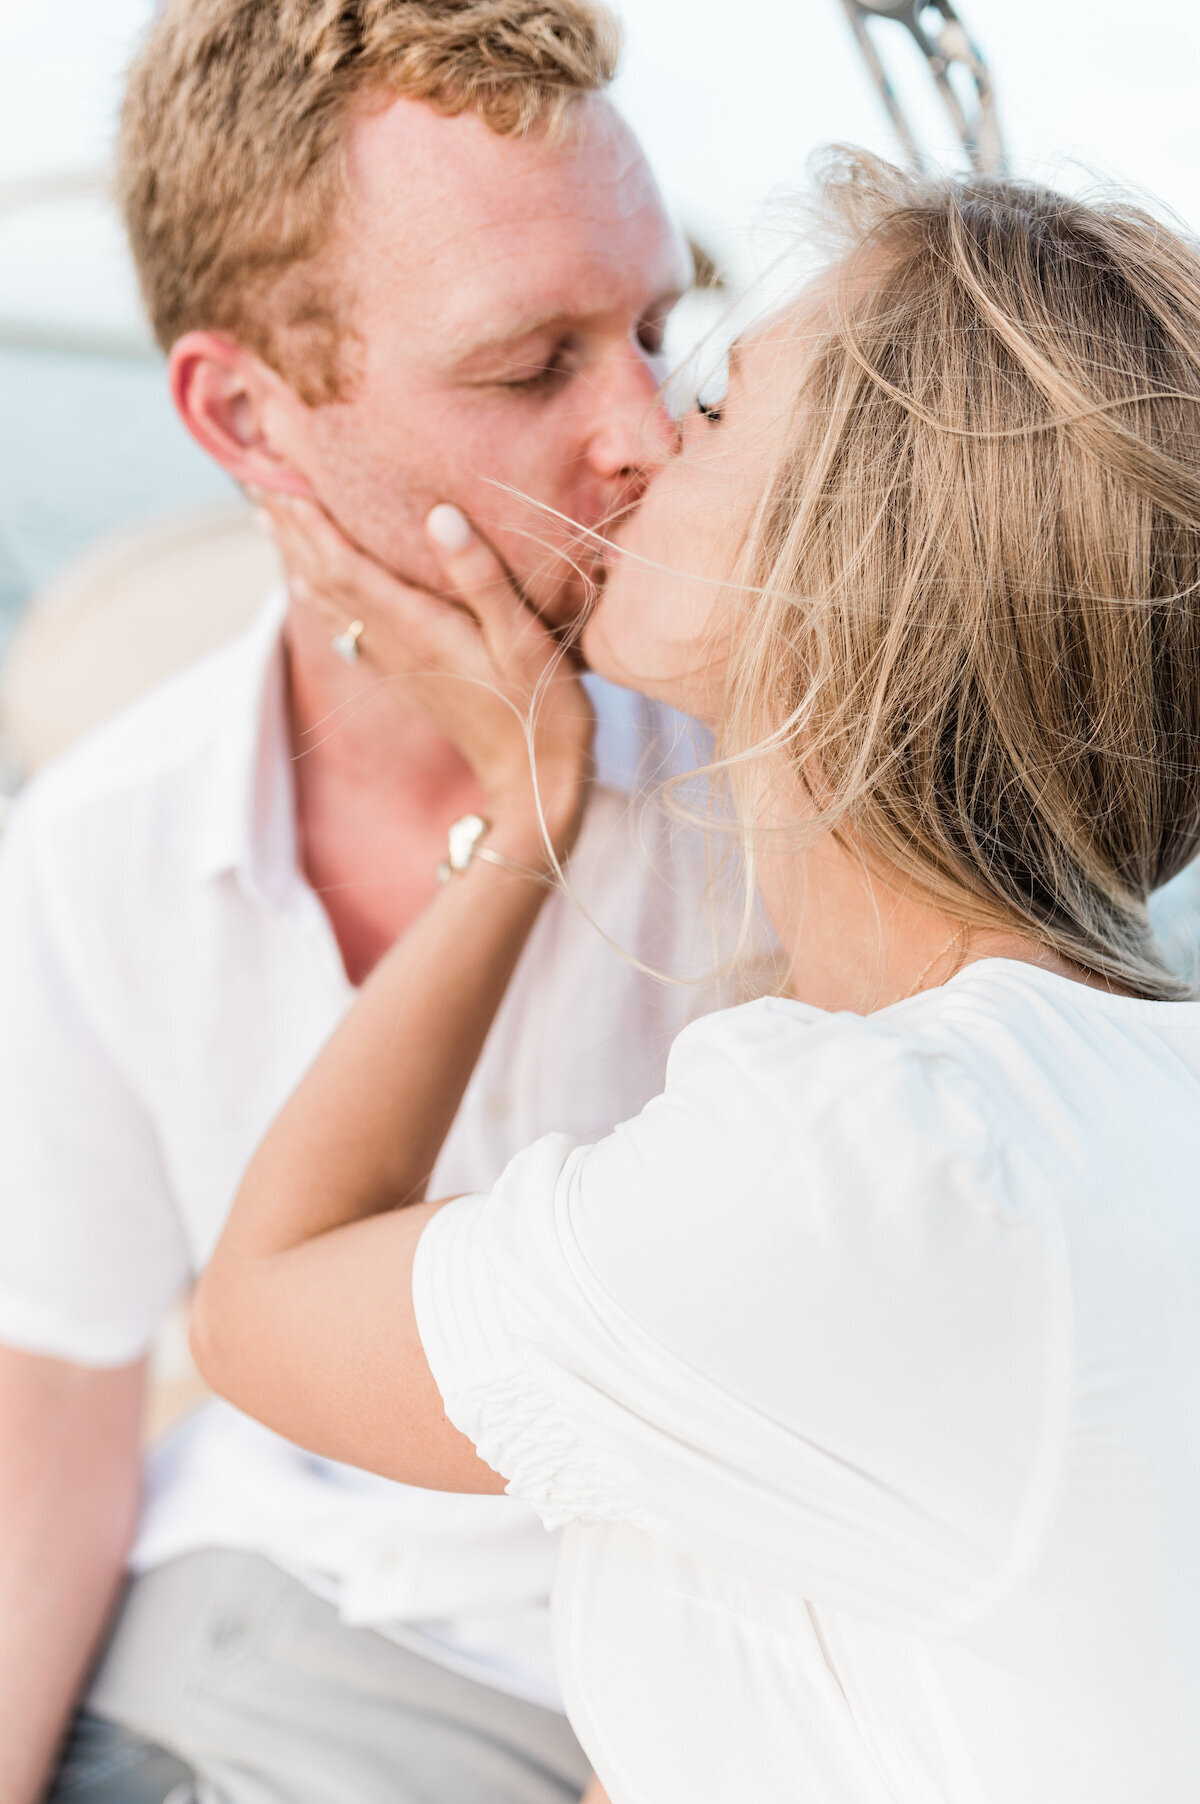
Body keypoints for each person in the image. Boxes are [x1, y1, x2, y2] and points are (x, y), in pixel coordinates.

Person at [194, 154, 1200, 1804]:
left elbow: (259, 1313)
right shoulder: (1087, 1097)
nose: (651, 436)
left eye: (721, 409)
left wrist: (526, 812)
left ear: (853, 573)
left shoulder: (865, 1163)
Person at [0, 3, 718, 1801]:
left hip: (643, 1694)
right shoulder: (100, 845)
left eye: (655, 329)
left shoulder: (774, 798)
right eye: (532, 364)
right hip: (230, 1630)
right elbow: (57, 1432)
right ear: (247, 413)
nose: (651, 434)